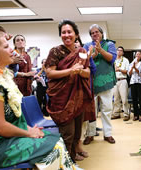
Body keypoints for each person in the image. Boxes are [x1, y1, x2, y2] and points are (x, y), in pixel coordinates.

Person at [0, 32, 77, 169]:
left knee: (53, 138)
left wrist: (29, 129)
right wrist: (28, 132)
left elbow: (9, 119)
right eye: (5, 47)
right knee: (54, 147)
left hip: (1, 138)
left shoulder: (1, 78)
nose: (11, 50)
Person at [44, 20, 94, 162]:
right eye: (63, 32)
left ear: (76, 34)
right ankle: (66, 162)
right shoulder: (55, 51)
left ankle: (72, 155)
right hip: (62, 98)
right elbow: (50, 73)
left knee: (77, 132)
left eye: (69, 32)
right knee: (68, 133)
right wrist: (70, 71)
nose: (66, 35)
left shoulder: (82, 52)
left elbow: (88, 72)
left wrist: (80, 71)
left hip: (78, 95)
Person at [83, 24, 117, 145]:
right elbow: (84, 60)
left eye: (96, 32)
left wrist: (101, 50)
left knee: (107, 109)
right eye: (92, 33)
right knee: (91, 111)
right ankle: (90, 134)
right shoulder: (87, 45)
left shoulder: (110, 44)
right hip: (91, 83)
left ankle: (107, 134)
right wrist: (94, 54)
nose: (94, 34)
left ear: (102, 33)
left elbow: (112, 59)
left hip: (106, 83)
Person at [112, 46, 130, 121]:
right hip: (115, 81)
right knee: (116, 98)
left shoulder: (125, 60)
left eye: (121, 50)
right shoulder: (113, 60)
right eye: (118, 50)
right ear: (116, 51)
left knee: (124, 99)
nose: (119, 51)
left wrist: (119, 69)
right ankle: (116, 113)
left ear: (123, 52)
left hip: (123, 80)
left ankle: (126, 114)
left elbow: (127, 71)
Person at [128, 51, 141, 121]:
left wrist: (135, 67)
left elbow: (140, 73)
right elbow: (129, 74)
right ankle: (135, 115)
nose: (138, 55)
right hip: (133, 82)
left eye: (139, 54)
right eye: (137, 54)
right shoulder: (131, 63)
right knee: (134, 99)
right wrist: (132, 67)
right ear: (135, 55)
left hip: (140, 82)